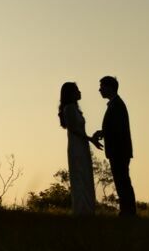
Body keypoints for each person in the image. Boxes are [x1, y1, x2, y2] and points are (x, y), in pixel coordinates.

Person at [91, 75, 136, 217]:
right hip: (118, 150)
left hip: (119, 151)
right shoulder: (115, 104)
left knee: (122, 181)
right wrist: (103, 132)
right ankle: (127, 211)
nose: (99, 90)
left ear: (109, 87)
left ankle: (128, 212)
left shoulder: (117, 105)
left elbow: (117, 128)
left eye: (102, 87)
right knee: (122, 181)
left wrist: (103, 132)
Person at [57, 81, 96, 216]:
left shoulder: (74, 108)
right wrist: (90, 139)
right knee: (79, 176)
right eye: (77, 90)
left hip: (82, 144)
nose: (79, 92)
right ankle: (81, 210)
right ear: (70, 94)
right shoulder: (70, 108)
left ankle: (87, 209)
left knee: (84, 175)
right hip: (76, 146)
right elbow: (74, 130)